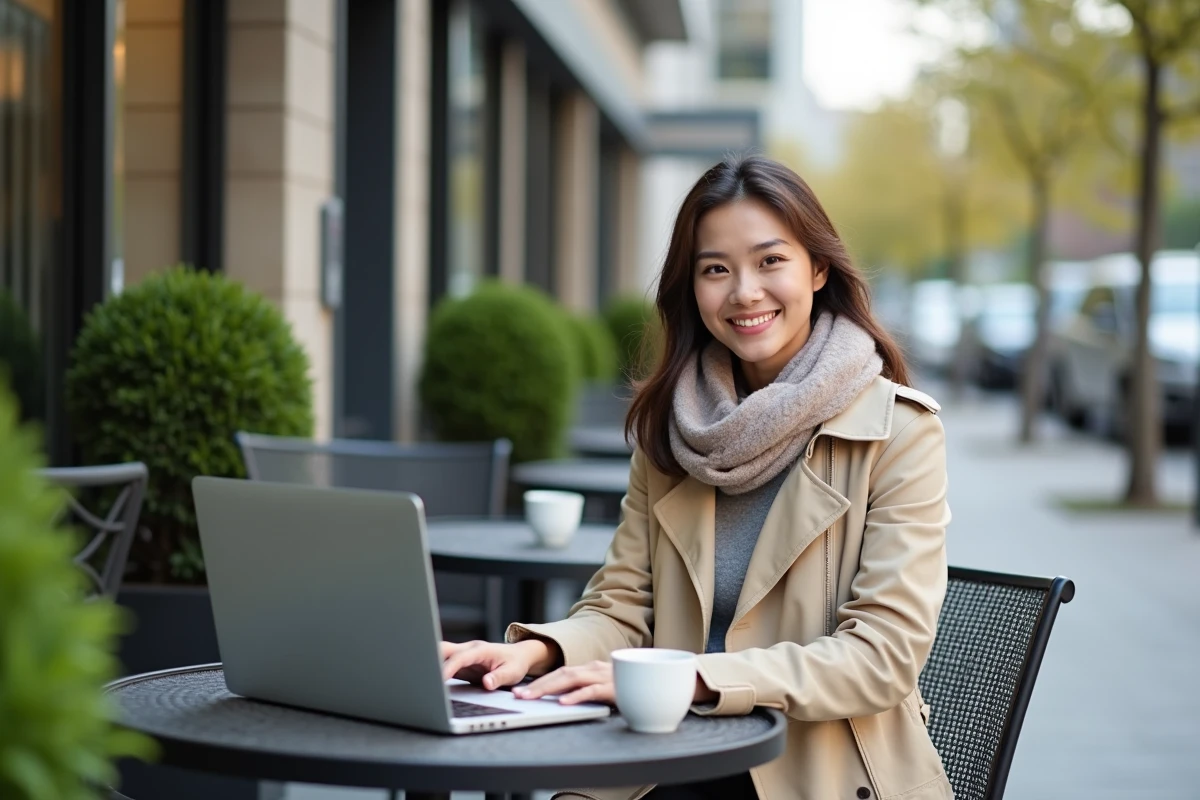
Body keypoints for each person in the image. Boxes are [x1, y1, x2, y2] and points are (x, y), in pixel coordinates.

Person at [440, 155, 953, 800]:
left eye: (771, 260)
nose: (744, 292)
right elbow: (622, 608)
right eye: (716, 269)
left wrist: (698, 678)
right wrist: (541, 652)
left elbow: (883, 656)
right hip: (666, 756)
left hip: (817, 769)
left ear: (818, 269)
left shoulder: (898, 432)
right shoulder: (670, 430)